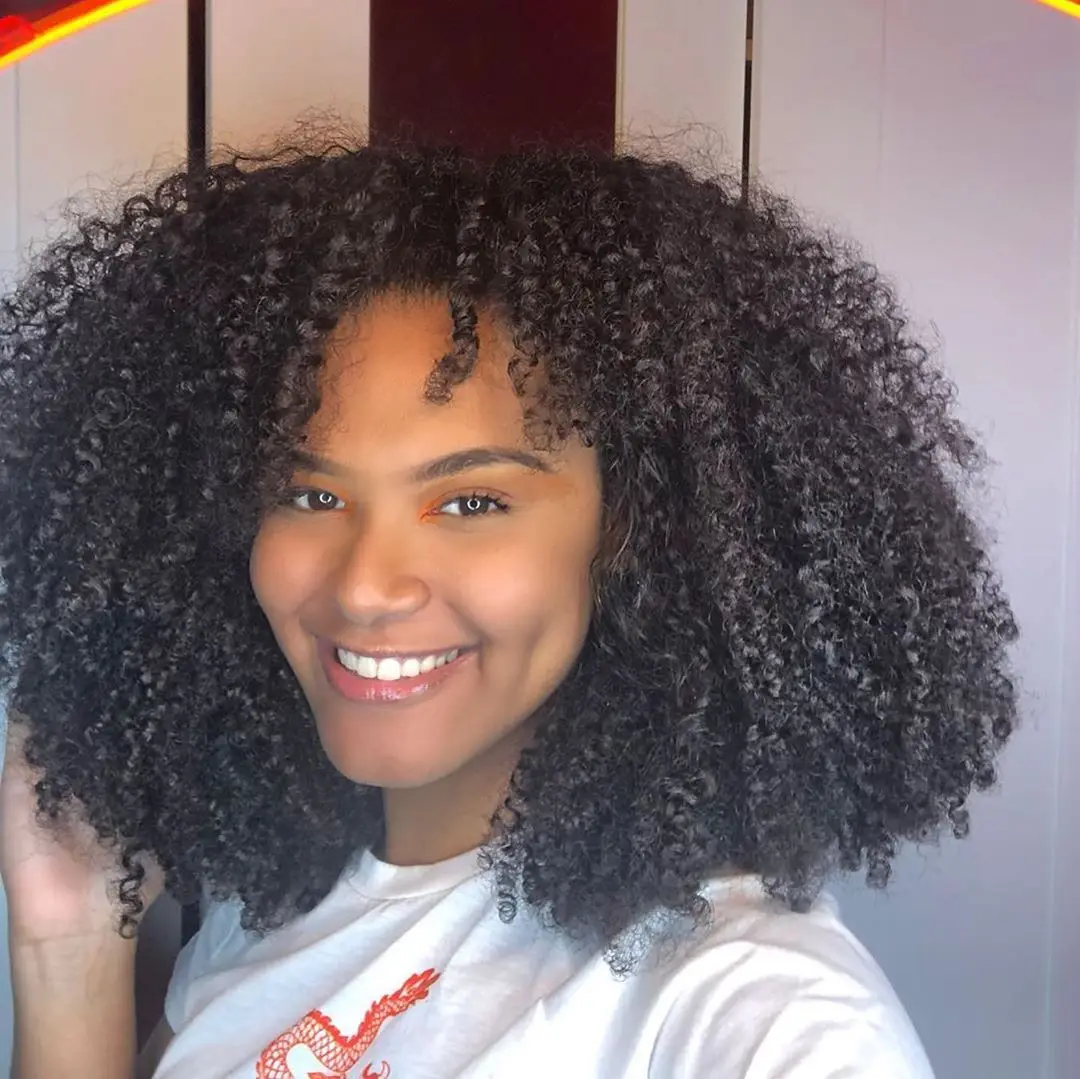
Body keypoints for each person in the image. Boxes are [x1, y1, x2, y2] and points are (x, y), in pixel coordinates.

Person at [0, 141, 1018, 1078]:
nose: (363, 585)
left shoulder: (752, 1012)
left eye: (472, 502)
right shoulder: (261, 924)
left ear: (632, 533)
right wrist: (68, 938)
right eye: (308, 494)